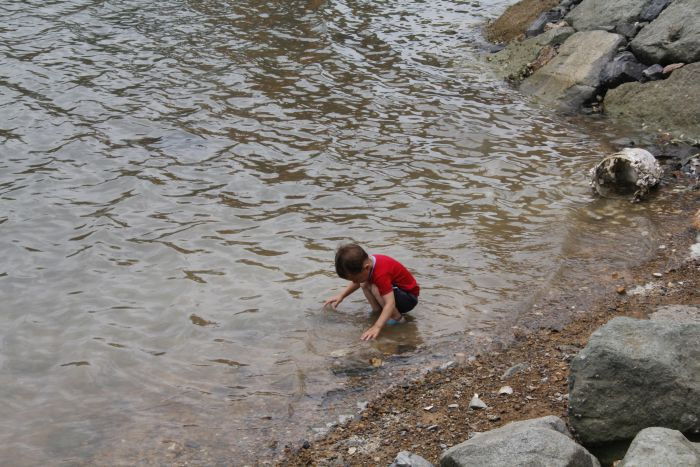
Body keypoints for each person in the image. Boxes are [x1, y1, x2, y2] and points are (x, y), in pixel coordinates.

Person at [323, 243, 420, 340]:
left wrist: (377, 327)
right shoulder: (368, 264)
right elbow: (358, 282)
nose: (354, 282)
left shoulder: (380, 273)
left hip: (409, 298)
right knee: (364, 283)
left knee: (374, 286)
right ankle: (377, 311)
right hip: (398, 294)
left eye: (355, 279)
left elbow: (390, 303)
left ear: (366, 268)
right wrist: (341, 296)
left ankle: (397, 318)